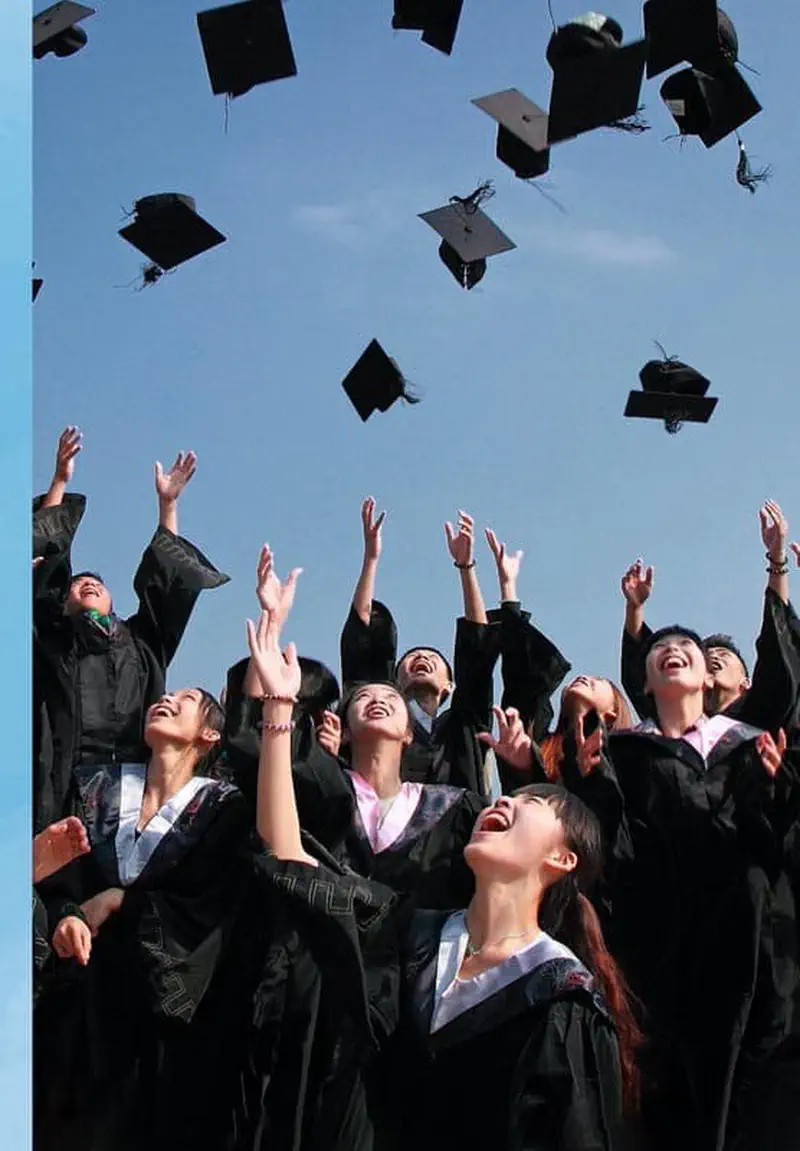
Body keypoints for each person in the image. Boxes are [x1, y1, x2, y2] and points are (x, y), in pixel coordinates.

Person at [246, 602, 639, 1151]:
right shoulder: (412, 937)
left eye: (530, 803)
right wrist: (279, 708)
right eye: (507, 797)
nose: (503, 803)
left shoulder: (561, 996)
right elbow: (291, 855)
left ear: (563, 857)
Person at [519, 625, 799, 1151]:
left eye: (686, 649)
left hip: (750, 945)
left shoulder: (746, 744)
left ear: (704, 676)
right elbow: (614, 856)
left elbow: (774, 844)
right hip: (659, 954)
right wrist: (592, 784)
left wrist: (777, 788)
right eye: (659, 651)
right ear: (642, 685)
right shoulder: (623, 754)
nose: (673, 652)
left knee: (756, 1089)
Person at [34, 686, 250, 1151]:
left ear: (210, 733)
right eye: (165, 695)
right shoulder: (92, 786)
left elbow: (207, 903)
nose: (167, 699)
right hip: (78, 999)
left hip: (160, 1014)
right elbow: (57, 875)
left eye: (186, 699)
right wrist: (65, 914)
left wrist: (123, 902)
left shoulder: (222, 808)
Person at [245, 553, 488, 909]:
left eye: (432, 659)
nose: (377, 700)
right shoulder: (326, 787)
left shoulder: (457, 792)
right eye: (366, 698)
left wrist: (468, 569)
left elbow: (478, 660)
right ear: (345, 729)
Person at [32, 427, 229, 831]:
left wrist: (167, 507)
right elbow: (43, 563)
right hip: (55, 793)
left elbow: (165, 586)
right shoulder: (54, 640)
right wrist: (59, 482)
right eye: (75, 585)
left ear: (112, 602)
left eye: (96, 583)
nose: (85, 584)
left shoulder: (140, 645)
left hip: (129, 800)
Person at [339, 499, 499, 793]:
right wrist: (371, 559)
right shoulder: (379, 719)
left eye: (432, 658)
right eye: (411, 659)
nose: (422, 657)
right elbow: (361, 641)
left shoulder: (463, 726)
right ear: (395, 683)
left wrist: (465, 567)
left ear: (450, 686)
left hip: (454, 834)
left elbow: (478, 647)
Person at [620, 500, 799, 730]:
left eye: (723, 654)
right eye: (706, 654)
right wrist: (634, 609)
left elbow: (777, 643)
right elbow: (644, 671)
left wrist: (777, 559)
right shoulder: (674, 729)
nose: (713, 657)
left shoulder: (761, 719)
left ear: (746, 683)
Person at [480, 676, 633, 795]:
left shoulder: (621, 761)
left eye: (598, 679)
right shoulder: (545, 746)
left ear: (610, 716)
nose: (584, 677)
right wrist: (524, 771)